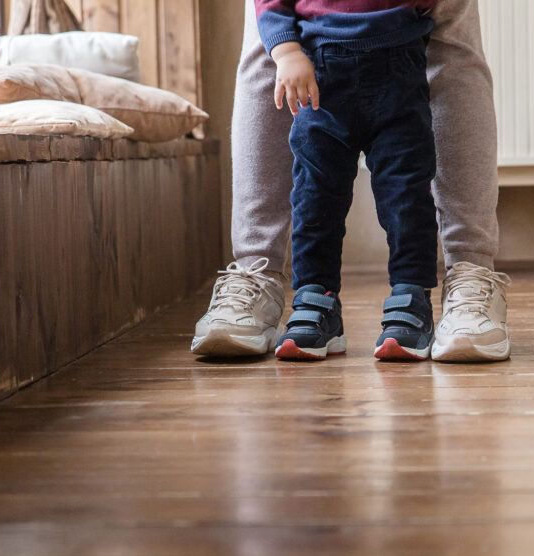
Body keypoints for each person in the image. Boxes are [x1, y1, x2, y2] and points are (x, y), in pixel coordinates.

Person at [191, 0, 511, 362]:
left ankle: (414, 298)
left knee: (406, 198)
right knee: (314, 199)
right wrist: (286, 49)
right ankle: (310, 296)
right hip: (317, 77)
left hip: (399, 66)